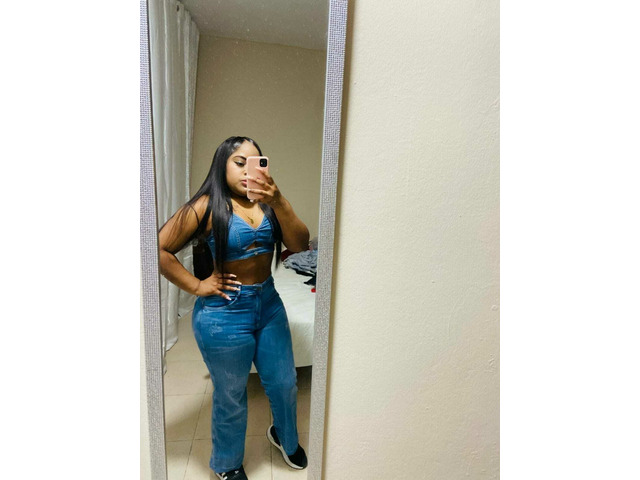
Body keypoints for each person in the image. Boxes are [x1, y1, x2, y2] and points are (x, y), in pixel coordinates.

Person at [158, 136, 310, 480]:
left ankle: (284, 437)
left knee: (285, 382)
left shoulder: (269, 204)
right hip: (223, 314)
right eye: (239, 162)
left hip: (268, 305)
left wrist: (279, 200)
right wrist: (197, 286)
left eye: (254, 163)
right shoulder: (206, 206)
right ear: (222, 165)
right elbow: (160, 249)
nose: (246, 171)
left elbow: (300, 244)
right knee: (231, 394)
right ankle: (227, 463)